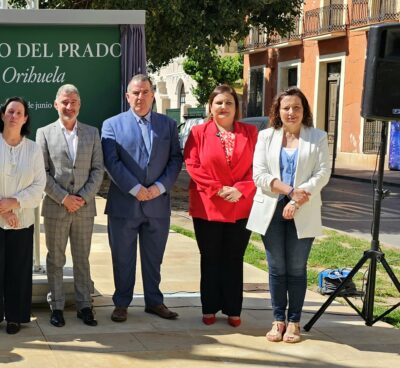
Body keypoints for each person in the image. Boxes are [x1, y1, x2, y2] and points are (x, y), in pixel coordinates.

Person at [247, 87, 330, 343]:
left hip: (303, 210)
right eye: (286, 108)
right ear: (278, 111)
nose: (291, 112)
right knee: (276, 268)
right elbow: (259, 175)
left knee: (296, 268)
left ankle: (294, 321)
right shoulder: (265, 137)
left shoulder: (318, 137)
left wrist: (298, 198)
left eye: (296, 107)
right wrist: (290, 191)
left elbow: (322, 173)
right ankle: (277, 320)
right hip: (271, 208)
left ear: (304, 110)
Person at [101, 74, 183, 323]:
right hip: (125, 204)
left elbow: (176, 159)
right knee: (123, 258)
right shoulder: (111, 125)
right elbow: (111, 162)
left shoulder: (167, 125)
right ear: (127, 96)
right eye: (135, 93)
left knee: (153, 258)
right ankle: (122, 303)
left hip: (157, 204)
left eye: (145, 92)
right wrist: (136, 189)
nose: (140, 97)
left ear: (152, 94)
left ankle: (154, 302)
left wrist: (158, 187)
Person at [183, 84, 258, 327]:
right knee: (210, 258)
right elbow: (193, 165)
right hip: (208, 206)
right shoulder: (198, 133)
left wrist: (241, 189)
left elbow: (258, 166)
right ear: (210, 107)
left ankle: (234, 309)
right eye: (219, 103)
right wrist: (219, 188)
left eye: (229, 103)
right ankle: (210, 307)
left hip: (240, 205)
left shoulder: (250, 132)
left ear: (237, 108)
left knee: (234, 259)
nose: (223, 107)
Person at [0, 97, 46, 335]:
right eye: (10, 111)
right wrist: (2, 210)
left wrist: (14, 204)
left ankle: (15, 317)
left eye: (19, 113)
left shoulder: (34, 149)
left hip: (22, 220)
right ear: (2, 115)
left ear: (25, 119)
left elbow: (38, 185)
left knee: (18, 270)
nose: (13, 116)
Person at [36, 84, 104, 327]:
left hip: (84, 209)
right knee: (55, 259)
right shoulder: (44, 133)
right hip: (56, 207)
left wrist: (83, 197)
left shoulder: (92, 133)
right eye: (65, 102)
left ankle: (85, 305)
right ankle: (56, 306)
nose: (69, 106)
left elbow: (98, 170)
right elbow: (41, 172)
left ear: (79, 105)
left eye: (74, 102)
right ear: (56, 104)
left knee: (82, 258)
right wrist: (64, 198)